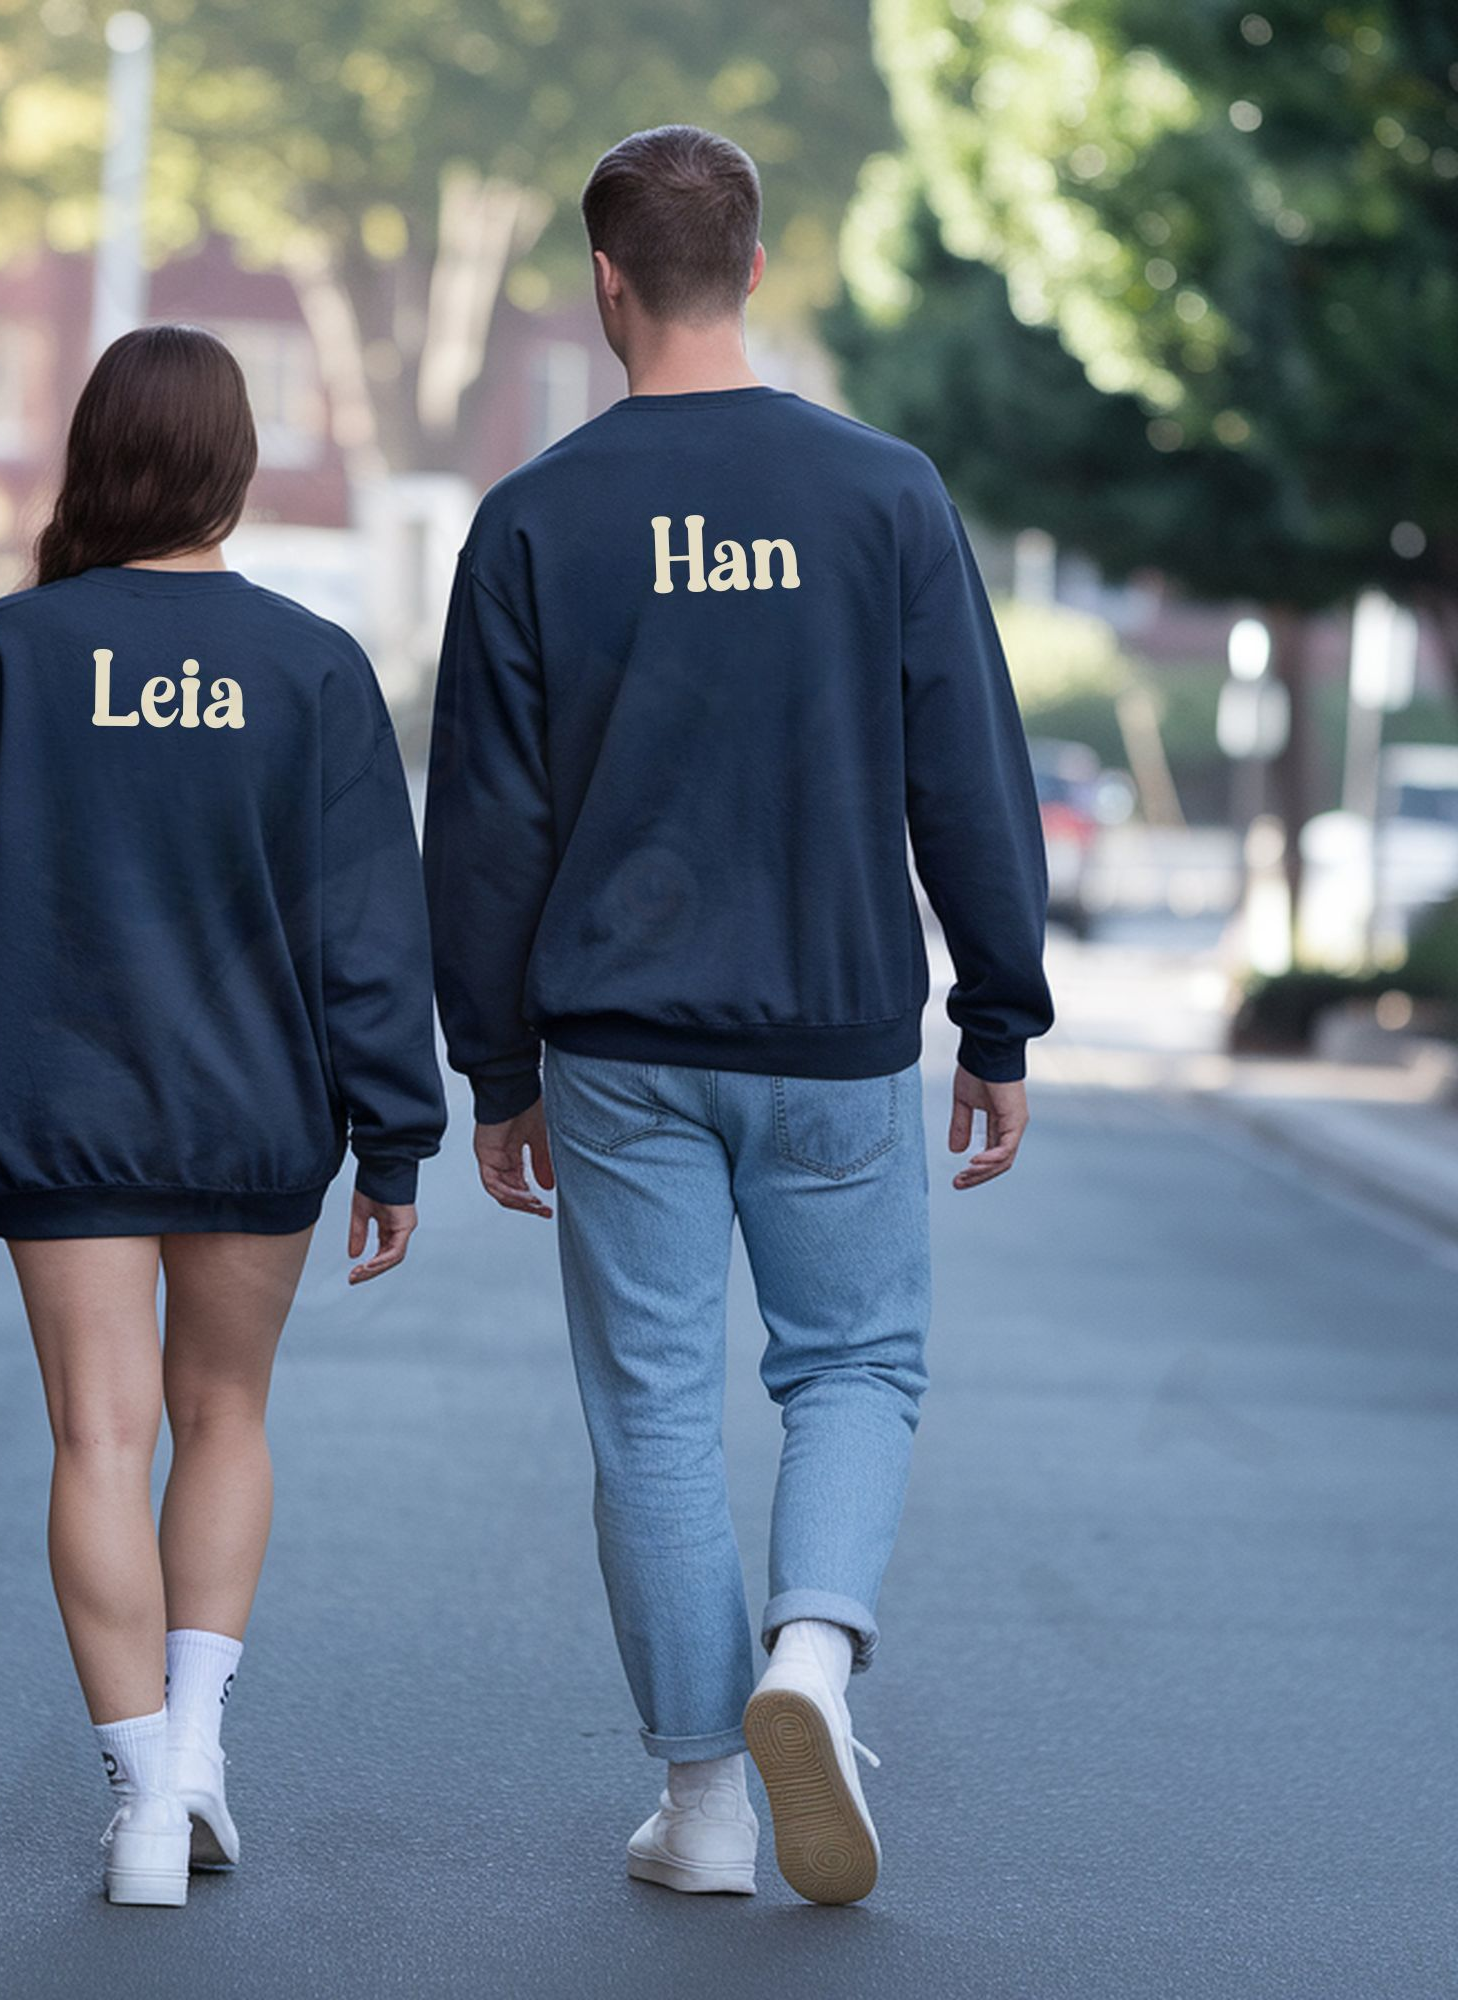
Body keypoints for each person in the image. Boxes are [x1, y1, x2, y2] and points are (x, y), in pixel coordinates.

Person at [422, 126, 1052, 1905]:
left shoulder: (535, 518)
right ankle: (815, 1660)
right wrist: (999, 1016)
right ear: (756, 269)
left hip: (616, 1046)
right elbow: (969, 776)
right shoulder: (887, 495)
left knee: (653, 1412)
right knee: (853, 1362)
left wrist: (494, 1065)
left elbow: (483, 825)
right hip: (838, 1030)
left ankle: (705, 1809)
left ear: (605, 285)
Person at [0, 324, 446, 1908]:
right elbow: (367, 931)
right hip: (261, 1114)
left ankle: (140, 1800)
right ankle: (197, 1757)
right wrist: (396, 1135)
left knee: (99, 1438)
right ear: (236, 468)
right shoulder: (316, 666)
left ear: (96, 457)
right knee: (226, 1420)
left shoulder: (17, 651)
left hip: (62, 1108)